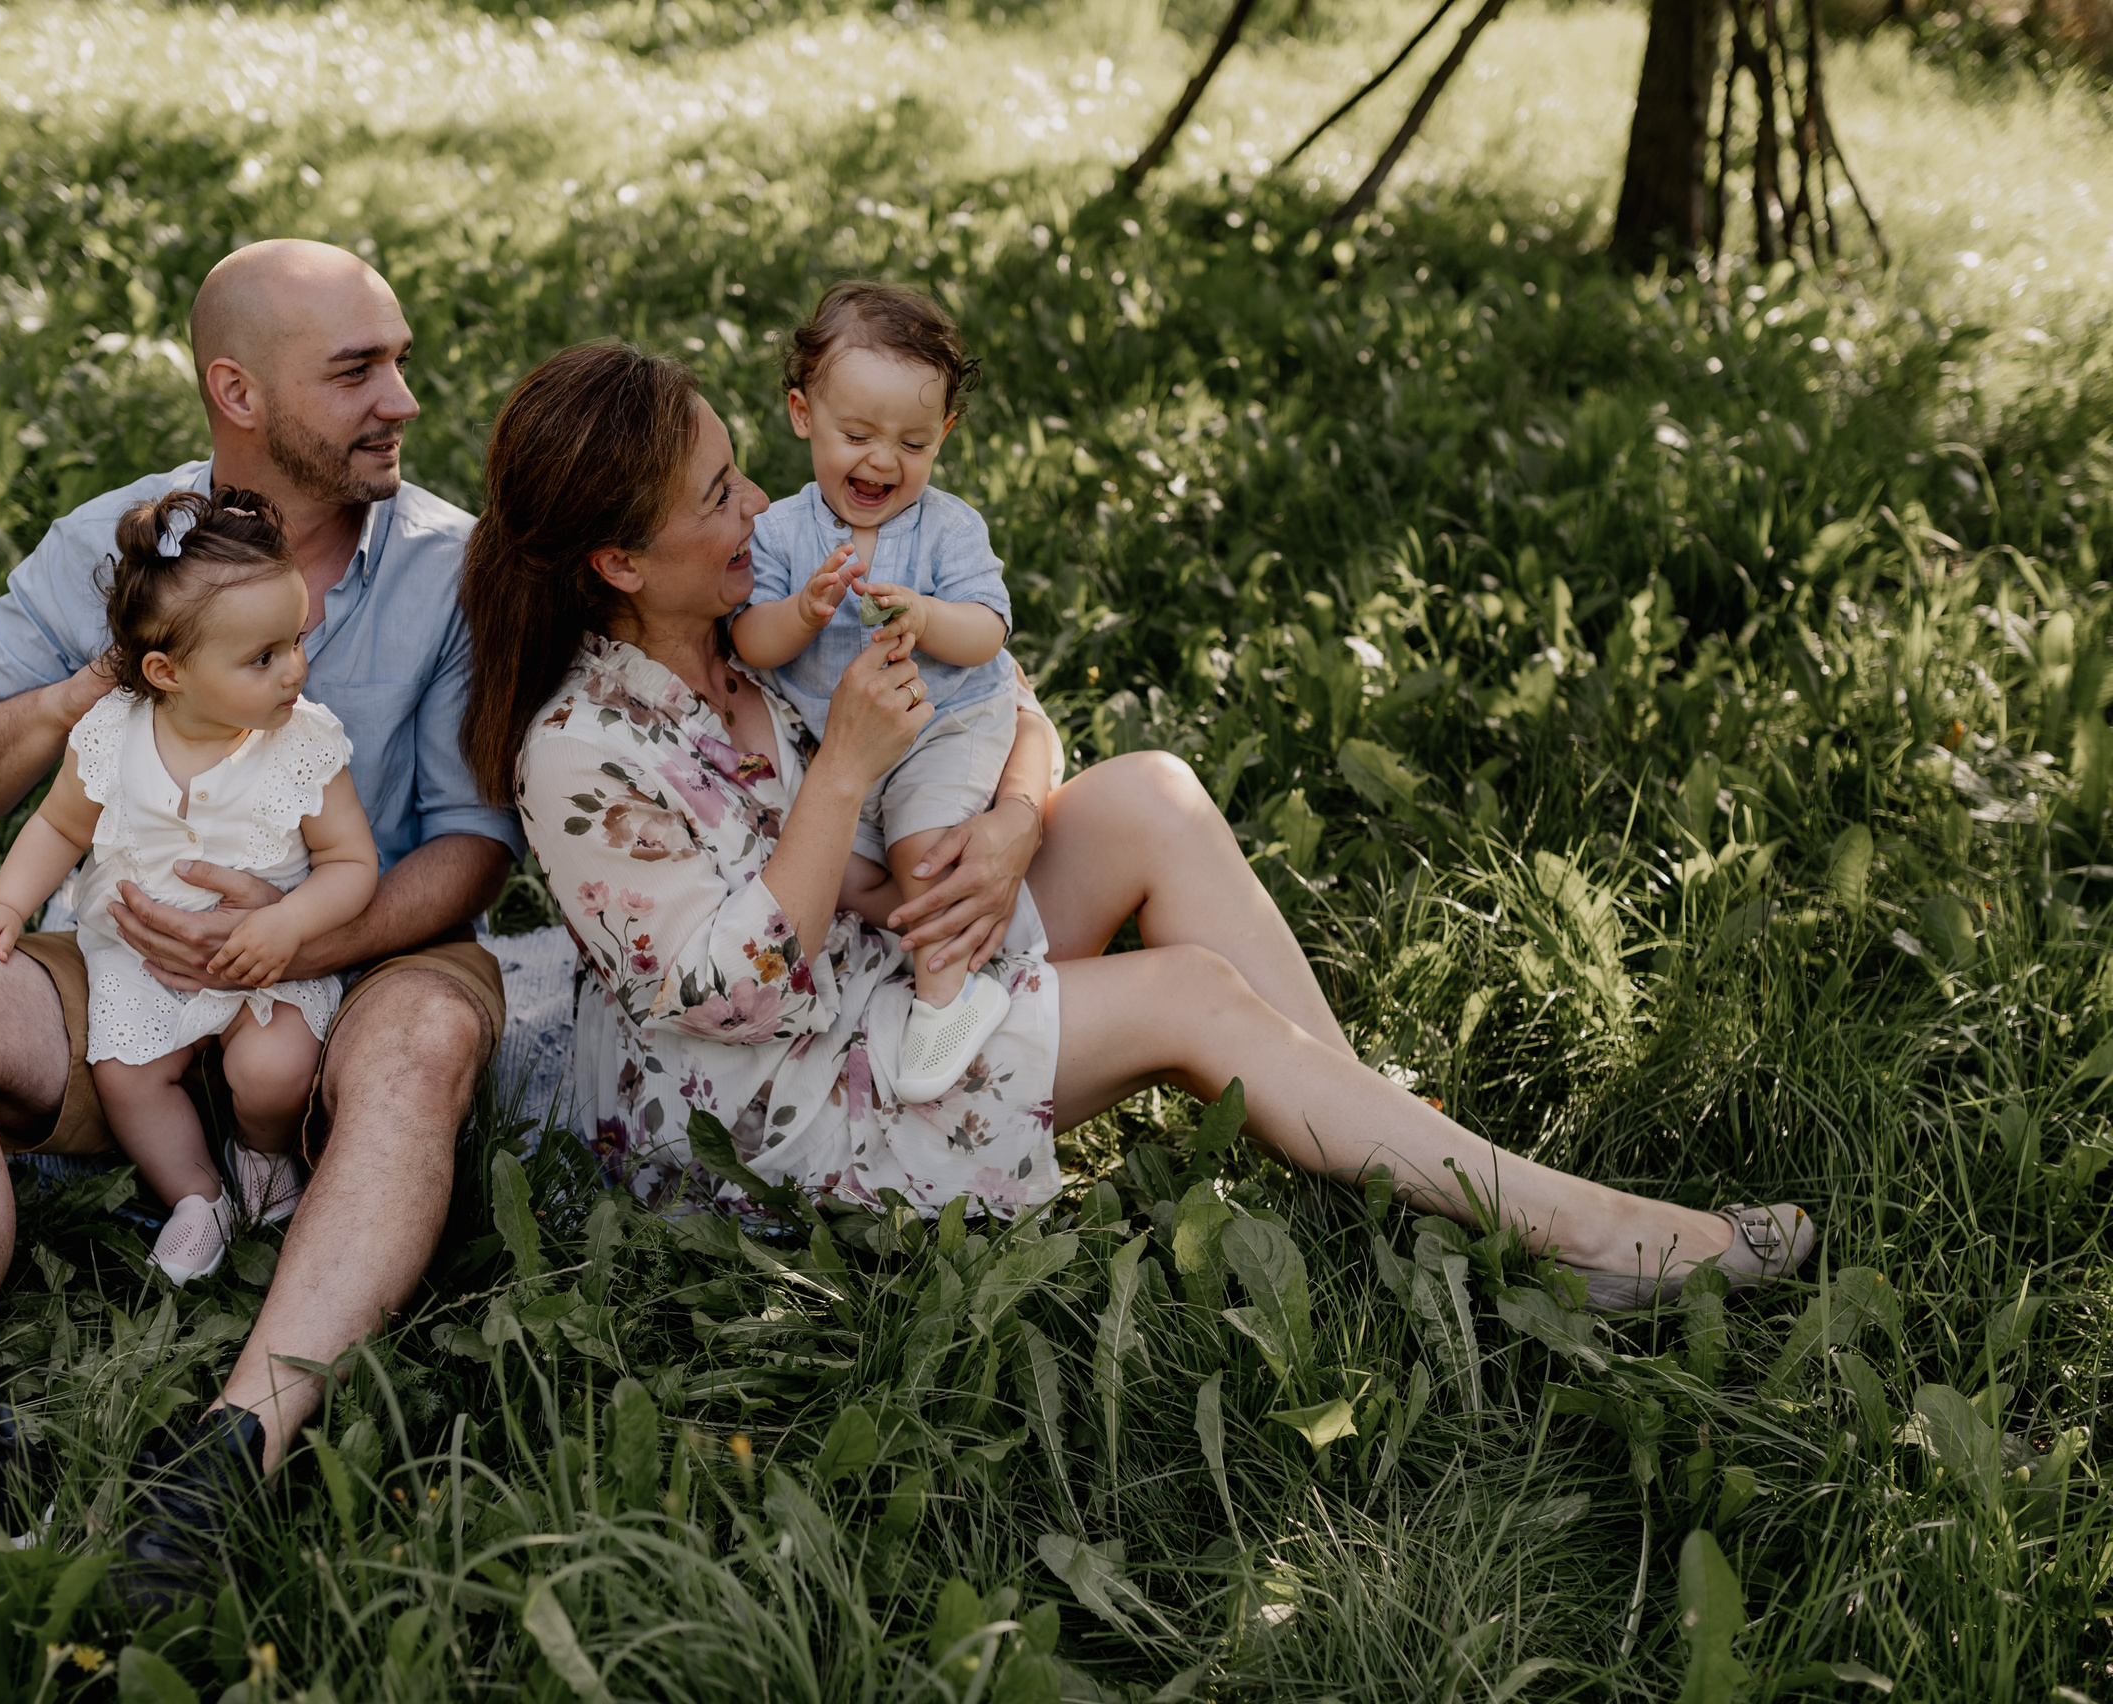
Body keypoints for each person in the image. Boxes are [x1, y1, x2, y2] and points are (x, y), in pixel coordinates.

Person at [460, 339, 1820, 1281]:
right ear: (619, 559)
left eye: (743, 467)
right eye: (718, 494)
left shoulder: (762, 617)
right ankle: (1594, 1238)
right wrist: (844, 777)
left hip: (899, 967)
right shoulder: (583, 749)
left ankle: (1381, 1144)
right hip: (772, 1105)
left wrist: (1011, 823)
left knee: (1154, 795)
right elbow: (731, 997)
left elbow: (1003, 695)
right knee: (1192, 1000)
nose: (761, 500)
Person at [0, 240, 521, 1667]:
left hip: (370, 946)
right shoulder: (112, 545)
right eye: (357, 371)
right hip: (124, 967)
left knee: (430, 1037)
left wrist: (289, 932)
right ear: (237, 391)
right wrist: (110, 670)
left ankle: (225, 1465)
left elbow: (467, 851)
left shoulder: (460, 569)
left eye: (398, 358)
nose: (402, 396)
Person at [0, 489, 378, 1286]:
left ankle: (262, 1154)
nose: (294, 671)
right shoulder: (111, 734)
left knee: (273, 1073)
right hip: (137, 956)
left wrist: (290, 925)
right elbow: (60, 828)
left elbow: (351, 864)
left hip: (262, 962)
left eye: (296, 641)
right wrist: (4, 906)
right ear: (168, 672)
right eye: (263, 658)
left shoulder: (304, 741)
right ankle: (195, 1197)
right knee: (128, 1079)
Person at [729, 282, 1021, 1101]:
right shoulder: (782, 534)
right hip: (849, 751)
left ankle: (949, 999)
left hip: (943, 725)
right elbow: (751, 639)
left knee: (919, 845)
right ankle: (965, 931)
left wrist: (926, 614)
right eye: (856, 434)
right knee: (848, 881)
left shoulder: (948, 528)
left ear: (945, 436)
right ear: (802, 413)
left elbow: (989, 632)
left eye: (914, 442)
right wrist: (804, 611)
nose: (883, 462)